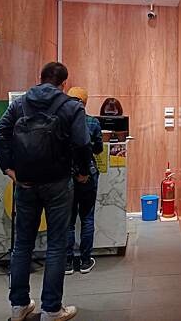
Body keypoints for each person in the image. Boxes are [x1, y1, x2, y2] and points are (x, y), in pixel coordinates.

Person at [0, 62, 92, 321]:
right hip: (58, 182)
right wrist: (83, 172)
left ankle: (18, 306)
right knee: (56, 245)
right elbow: (83, 143)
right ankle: (51, 309)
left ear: (40, 78)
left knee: (22, 244)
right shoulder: (71, 106)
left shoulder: (20, 104)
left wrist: (9, 169)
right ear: (64, 83)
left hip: (26, 182)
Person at [65, 87, 103, 275]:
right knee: (87, 217)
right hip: (88, 174)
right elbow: (98, 149)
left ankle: (67, 262)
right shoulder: (92, 122)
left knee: (68, 220)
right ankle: (85, 261)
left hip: (66, 175)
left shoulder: (60, 121)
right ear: (85, 103)